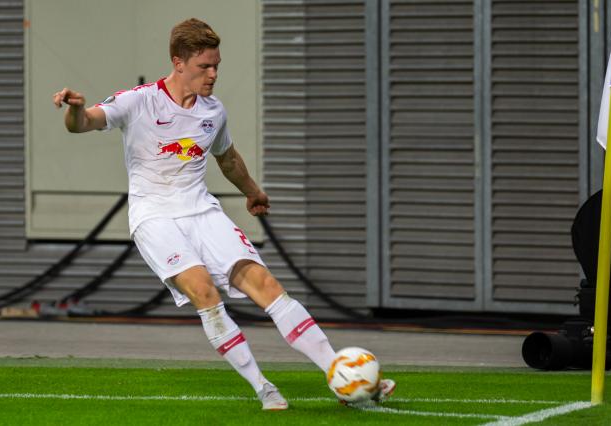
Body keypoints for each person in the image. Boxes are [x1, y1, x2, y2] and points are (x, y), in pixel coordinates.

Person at [52, 18, 395, 410]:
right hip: (155, 218)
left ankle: (341, 374)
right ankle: (263, 387)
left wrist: (254, 192)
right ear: (178, 62)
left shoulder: (213, 111)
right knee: (204, 291)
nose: (213, 74)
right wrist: (75, 110)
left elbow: (227, 158)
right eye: (204, 66)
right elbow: (85, 124)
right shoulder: (139, 101)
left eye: (217, 65)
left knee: (265, 285)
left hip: (202, 211)